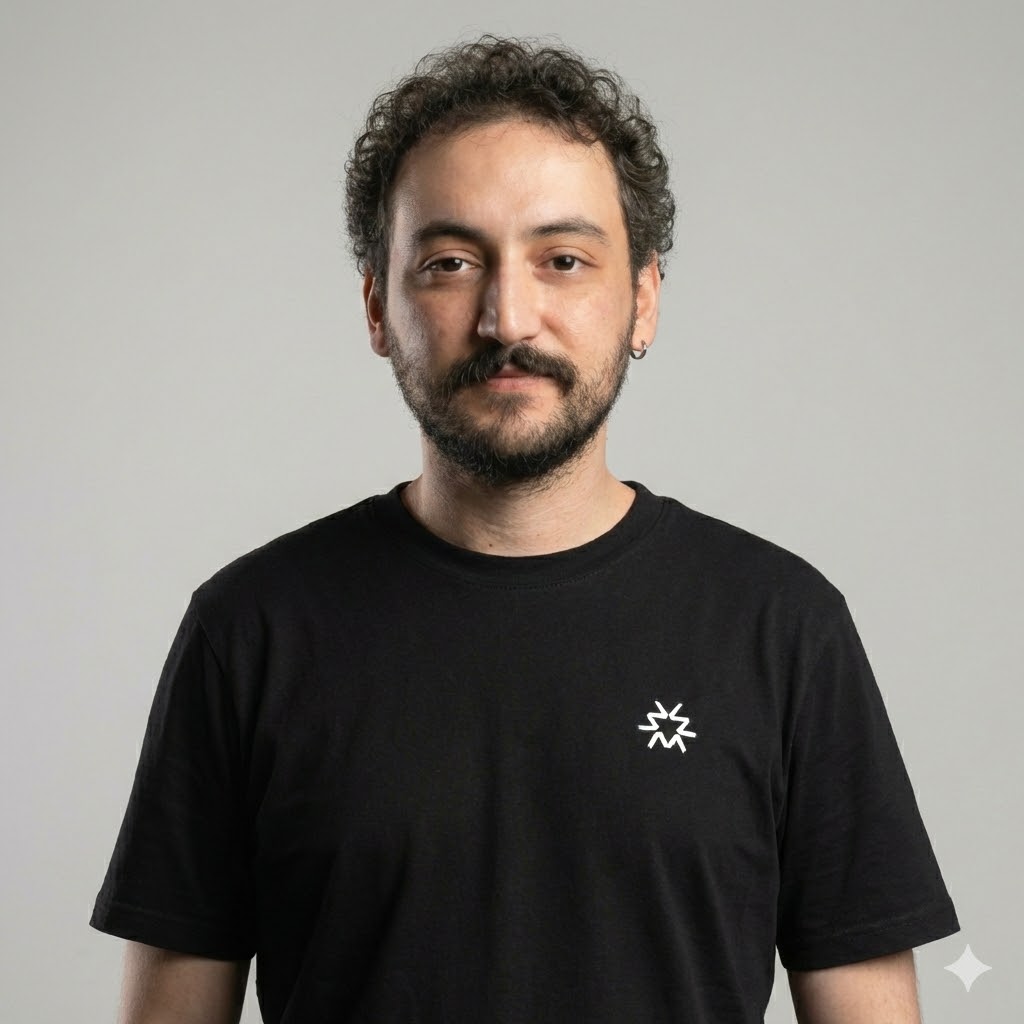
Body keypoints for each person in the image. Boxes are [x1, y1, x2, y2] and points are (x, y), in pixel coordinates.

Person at [91, 35, 960, 1024]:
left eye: (563, 260)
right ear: (377, 305)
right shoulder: (250, 631)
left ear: (643, 301)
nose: (508, 318)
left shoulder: (782, 629)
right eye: (452, 263)